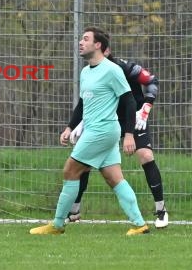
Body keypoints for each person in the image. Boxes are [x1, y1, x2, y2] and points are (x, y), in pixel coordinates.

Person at [30, 26, 149, 236]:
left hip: (103, 130)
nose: (80, 42)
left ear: (98, 45)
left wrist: (129, 134)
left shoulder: (112, 70)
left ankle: (57, 224)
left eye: (85, 39)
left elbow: (129, 101)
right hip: (97, 130)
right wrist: (69, 127)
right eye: (80, 39)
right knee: (114, 178)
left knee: (70, 170)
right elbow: (83, 104)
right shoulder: (85, 72)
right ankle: (140, 224)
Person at [67, 47, 167, 228]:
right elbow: (87, 100)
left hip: (134, 118)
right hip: (107, 121)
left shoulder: (126, 68)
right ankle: (74, 210)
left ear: (106, 51)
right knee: (84, 161)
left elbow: (152, 81)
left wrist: (145, 108)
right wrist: (79, 123)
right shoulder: (91, 71)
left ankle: (161, 210)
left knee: (145, 155)